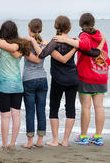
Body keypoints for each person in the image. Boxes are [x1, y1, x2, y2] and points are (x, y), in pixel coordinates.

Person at [31, 15, 102, 146]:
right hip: (73, 79)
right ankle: (65, 141)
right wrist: (101, 42)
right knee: (70, 109)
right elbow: (94, 53)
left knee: (54, 108)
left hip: (58, 80)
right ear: (69, 27)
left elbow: (41, 55)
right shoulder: (75, 41)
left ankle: (54, 140)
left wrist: (36, 43)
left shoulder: (55, 41)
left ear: (55, 27)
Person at [54, 13, 108, 146]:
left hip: (87, 75)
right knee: (99, 107)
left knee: (86, 106)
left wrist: (65, 40)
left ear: (80, 24)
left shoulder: (84, 35)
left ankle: (83, 136)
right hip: (101, 74)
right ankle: (98, 136)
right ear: (93, 23)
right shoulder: (100, 35)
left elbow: (83, 45)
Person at [0, 20, 40, 150]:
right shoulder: (21, 46)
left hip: (3, 84)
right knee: (16, 115)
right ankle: (12, 144)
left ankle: (4, 145)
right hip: (17, 85)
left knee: (5, 116)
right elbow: (37, 59)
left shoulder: (1, 45)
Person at [22, 19, 48, 148]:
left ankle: (30, 142)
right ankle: (40, 141)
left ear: (29, 29)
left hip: (29, 80)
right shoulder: (44, 44)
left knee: (30, 111)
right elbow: (41, 55)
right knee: (41, 110)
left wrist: (31, 40)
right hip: (42, 78)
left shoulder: (26, 44)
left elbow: (37, 59)